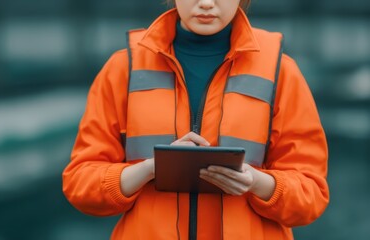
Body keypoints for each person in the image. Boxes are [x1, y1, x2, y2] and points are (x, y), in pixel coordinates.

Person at [63, 0, 329, 239]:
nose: (206, 3)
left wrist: (258, 183)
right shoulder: (123, 69)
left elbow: (312, 194)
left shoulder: (281, 72)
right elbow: (79, 183)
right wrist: (150, 169)